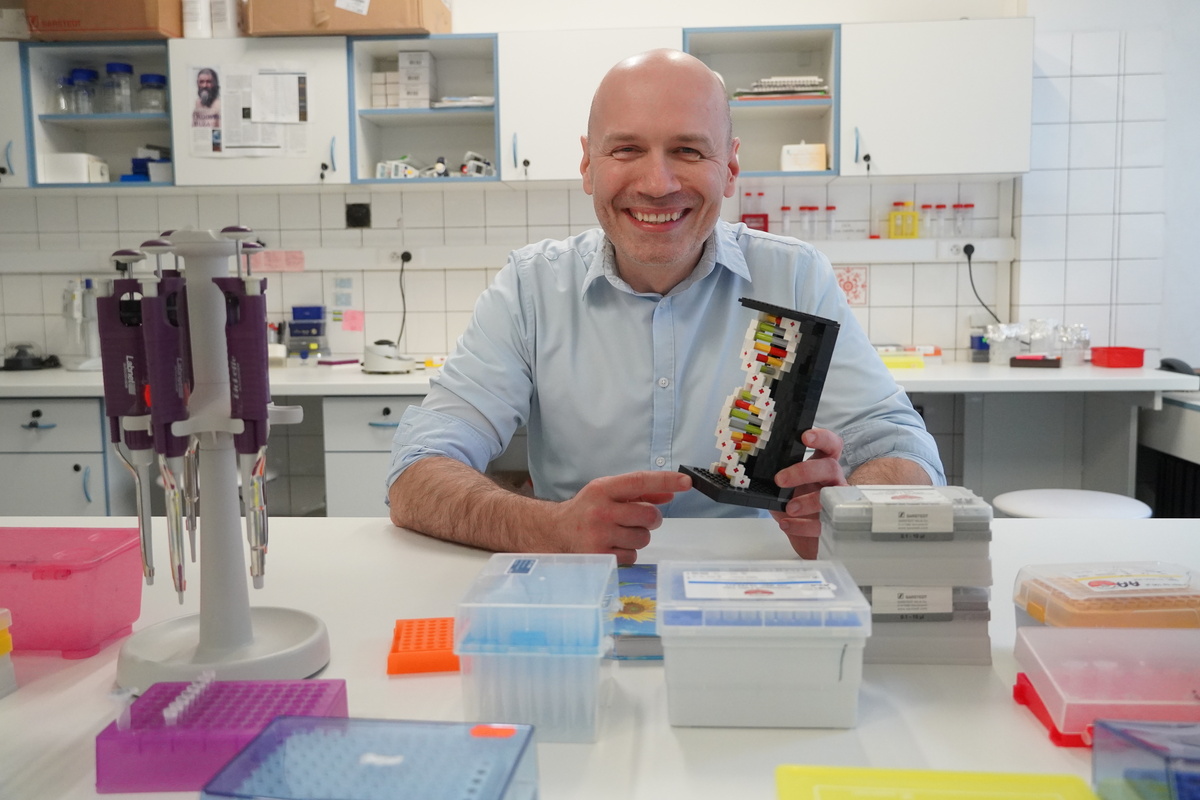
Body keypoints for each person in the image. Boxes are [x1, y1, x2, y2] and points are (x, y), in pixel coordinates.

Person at [387, 49, 944, 562]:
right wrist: (549, 527)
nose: (657, 184)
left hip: (752, 584)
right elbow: (417, 470)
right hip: (579, 589)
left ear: (730, 168)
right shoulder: (530, 289)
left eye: (688, 150)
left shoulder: (794, 277)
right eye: (626, 149)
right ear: (588, 165)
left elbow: (898, 443)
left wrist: (850, 512)